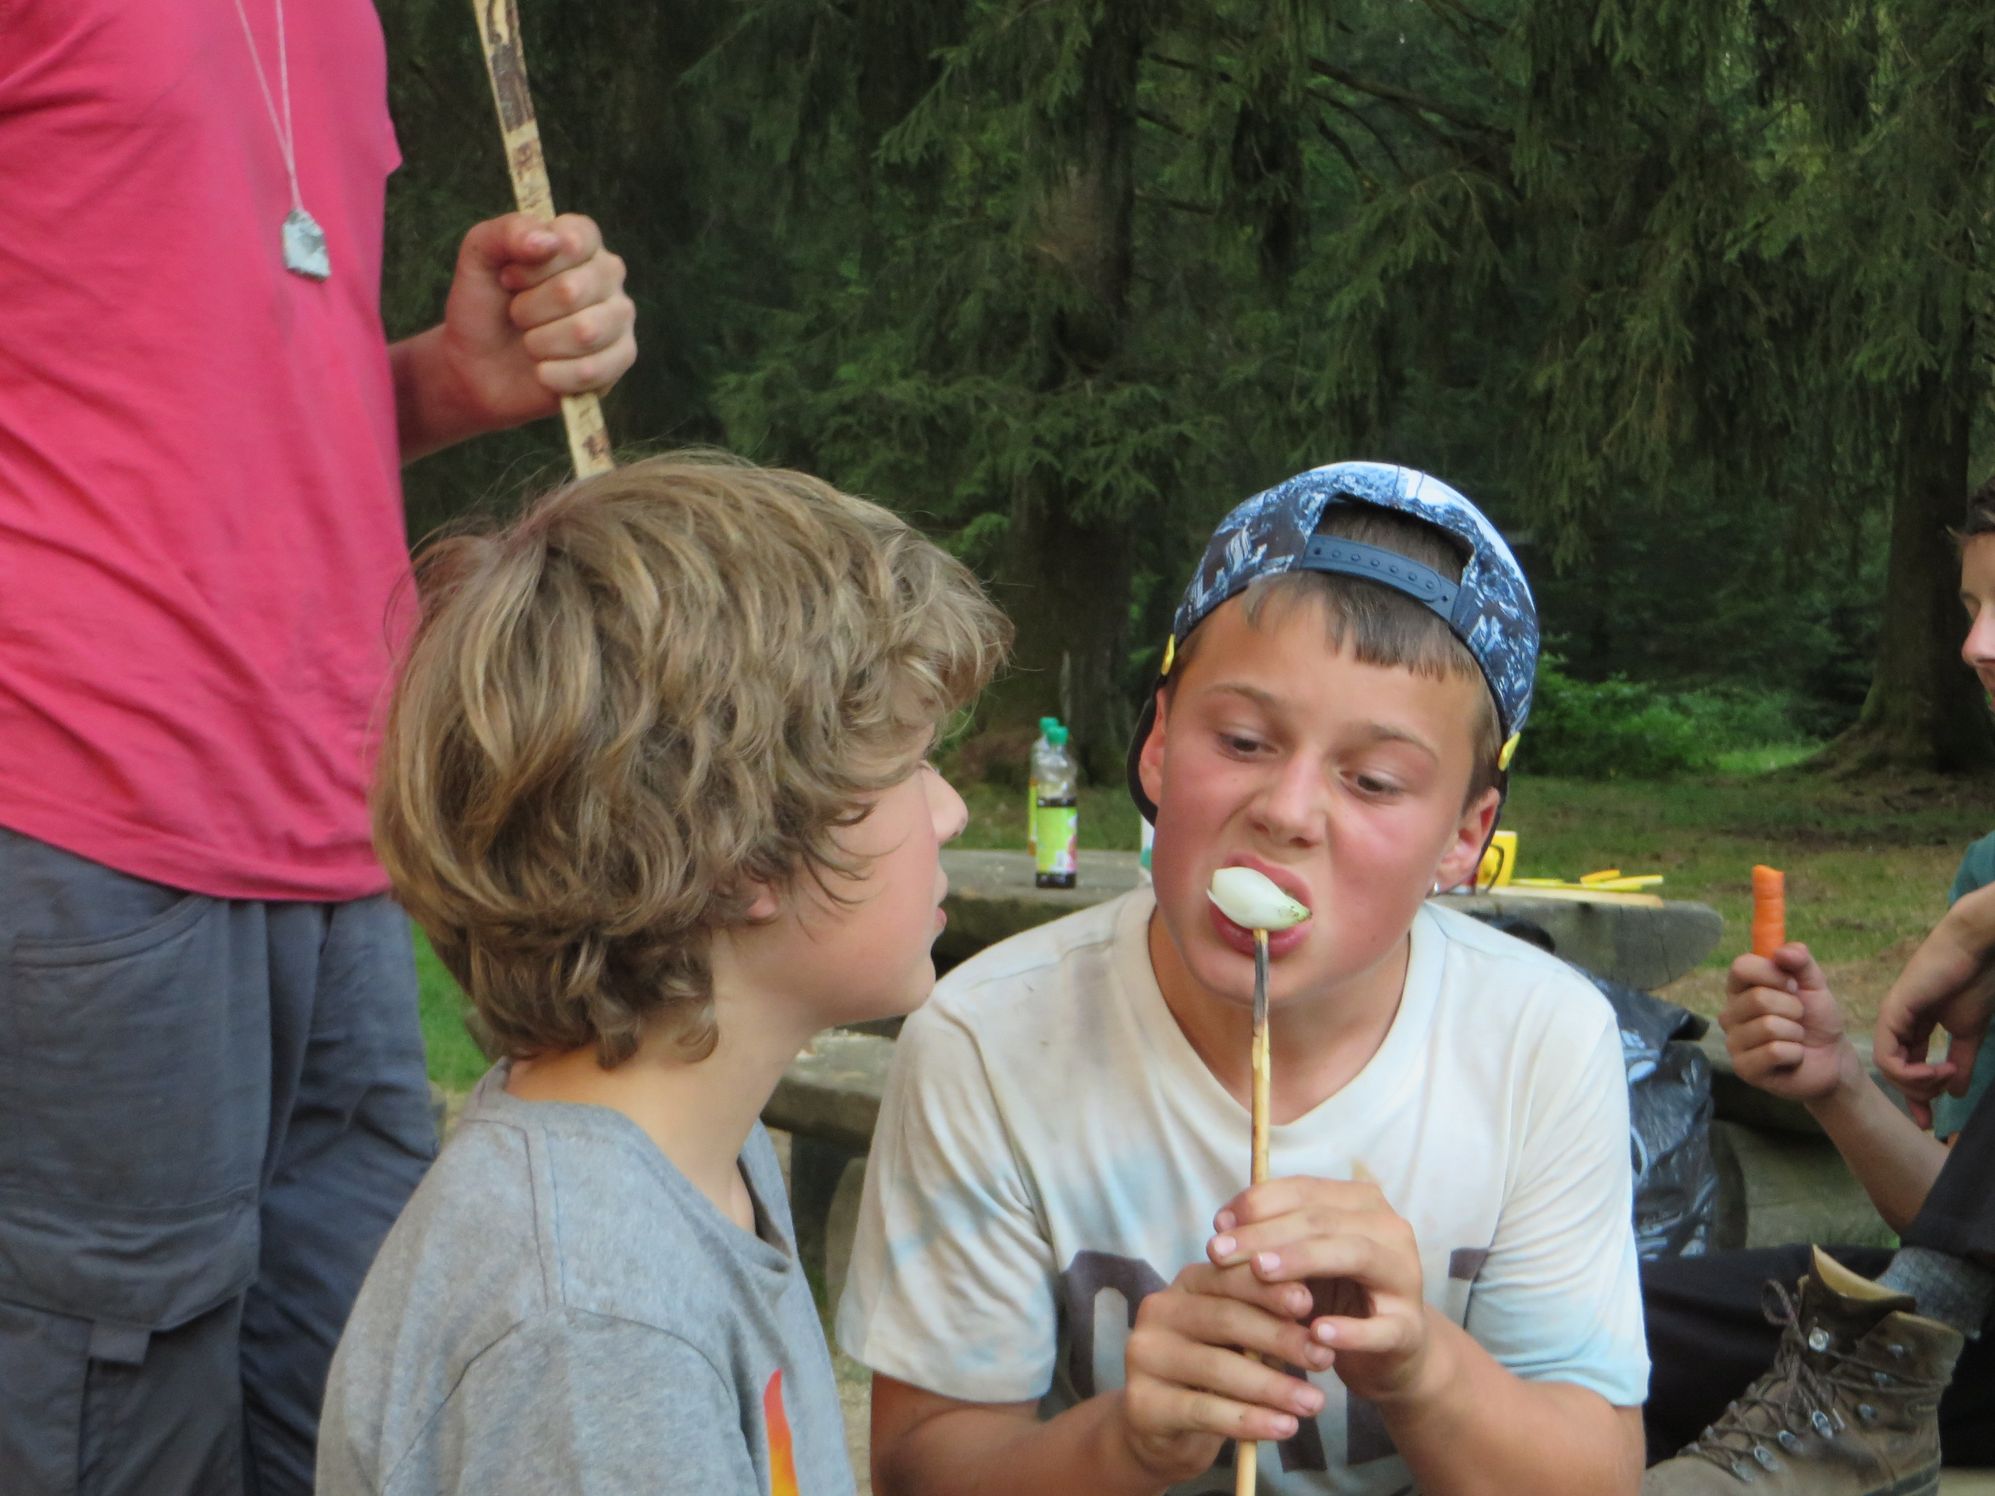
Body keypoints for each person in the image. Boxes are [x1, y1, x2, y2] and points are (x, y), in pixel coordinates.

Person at [0, 4, 637, 1494]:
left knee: (358, 1421)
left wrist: (450, 378)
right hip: (78, 808)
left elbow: (202, 389)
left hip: (342, 835)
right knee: (110, 1435)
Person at [839, 462, 1649, 1495]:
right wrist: (1129, 1442)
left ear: (1464, 835)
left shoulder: (1540, 1042)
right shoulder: (989, 1040)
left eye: (1374, 780)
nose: (1288, 809)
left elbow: (1594, 1474)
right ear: (1159, 745)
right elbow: (922, 1469)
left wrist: (1421, 1368)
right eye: (1243, 740)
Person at [315, 455, 1008, 1495]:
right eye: (908, 765)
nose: (948, 810)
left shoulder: (697, 1158)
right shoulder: (598, 1327)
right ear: (747, 860)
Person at [1641, 485, 1995, 1492]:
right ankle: (1866, 1393)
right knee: (1605, 1324)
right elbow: (1961, 1226)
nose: (1976, 646)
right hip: (1966, 1346)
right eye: (1973, 607)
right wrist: (1835, 1081)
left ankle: (1863, 1392)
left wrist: (1978, 925)